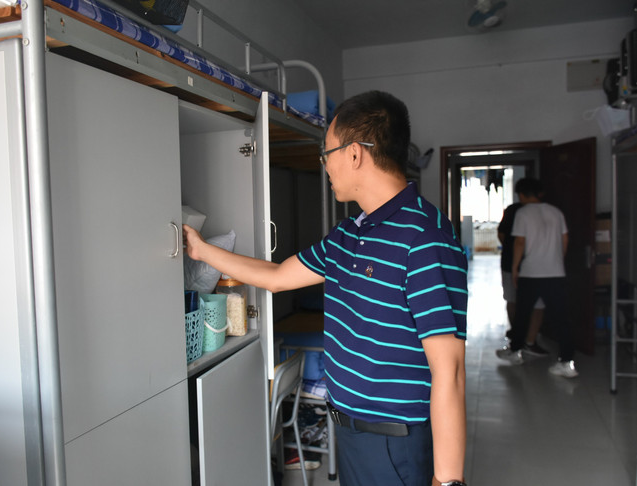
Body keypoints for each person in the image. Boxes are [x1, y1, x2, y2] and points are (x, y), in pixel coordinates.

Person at [183, 90, 468, 486]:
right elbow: (277, 276)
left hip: (394, 443)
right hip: (350, 432)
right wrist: (202, 250)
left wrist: (449, 480)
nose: (325, 165)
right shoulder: (347, 235)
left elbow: (449, 370)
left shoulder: (424, 238)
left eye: (327, 153)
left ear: (354, 154)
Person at [495, 177, 576, 377]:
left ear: (521, 195)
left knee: (522, 314)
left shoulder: (522, 213)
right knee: (562, 319)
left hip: (531, 273)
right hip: (555, 273)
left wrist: (515, 268)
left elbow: (519, 242)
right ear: (539, 193)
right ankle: (567, 362)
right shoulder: (556, 212)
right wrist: (557, 260)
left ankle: (516, 352)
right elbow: (565, 239)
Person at [497, 198, 548, 357]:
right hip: (534, 264)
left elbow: (502, 235)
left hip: (514, 263)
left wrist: (511, 254)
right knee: (536, 304)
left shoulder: (514, 211)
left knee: (513, 300)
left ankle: (518, 337)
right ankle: (528, 340)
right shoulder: (548, 211)